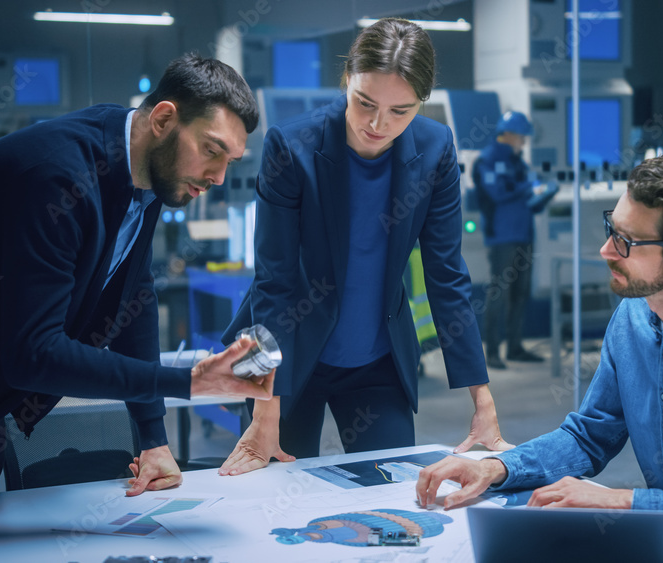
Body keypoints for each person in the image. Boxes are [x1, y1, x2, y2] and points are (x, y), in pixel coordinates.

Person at [0, 53, 275, 563]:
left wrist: (152, 436)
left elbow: (135, 298)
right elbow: (33, 353)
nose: (217, 176)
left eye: (230, 161)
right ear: (164, 119)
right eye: (211, 151)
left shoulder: (140, 174)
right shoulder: (55, 177)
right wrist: (189, 382)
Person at [417, 153, 663, 560]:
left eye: (627, 241)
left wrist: (626, 503)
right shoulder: (632, 317)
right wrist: (496, 468)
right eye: (613, 228)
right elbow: (589, 436)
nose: (606, 250)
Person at [218, 18, 513, 476]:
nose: (379, 124)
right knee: (276, 497)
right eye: (365, 103)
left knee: (394, 500)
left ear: (421, 103)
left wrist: (483, 398)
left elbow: (446, 274)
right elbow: (273, 284)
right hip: (288, 358)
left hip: (377, 360)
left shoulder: (435, 150)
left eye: (401, 111)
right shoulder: (291, 147)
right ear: (347, 81)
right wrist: (263, 407)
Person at [472, 111, 558, 369]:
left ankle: (515, 346)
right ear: (508, 134)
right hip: (503, 237)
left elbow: (530, 200)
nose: (524, 142)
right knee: (499, 292)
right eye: (522, 137)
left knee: (520, 293)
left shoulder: (518, 163)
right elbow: (497, 193)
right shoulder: (486, 161)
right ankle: (493, 352)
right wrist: (530, 188)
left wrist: (543, 193)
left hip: (523, 235)